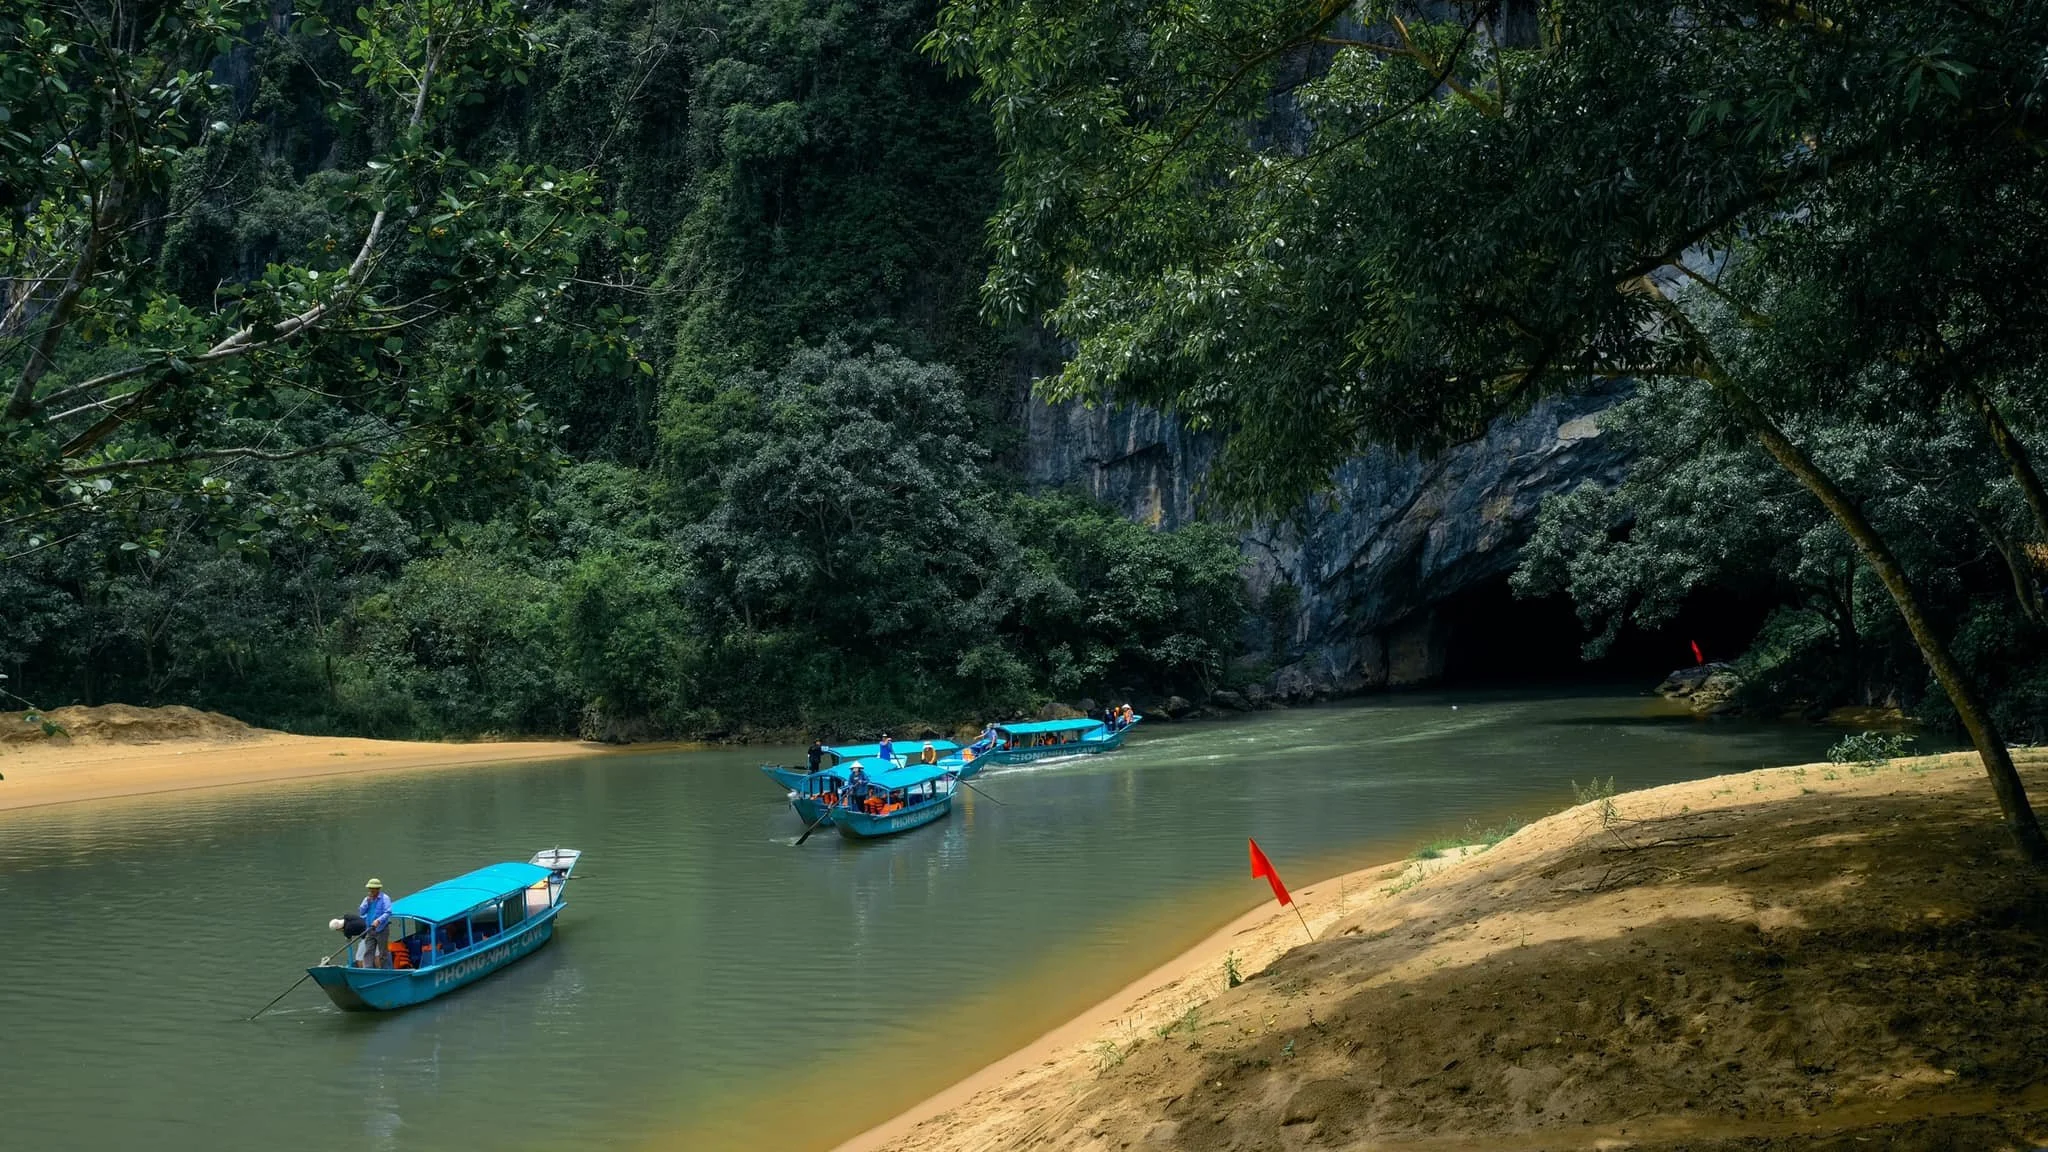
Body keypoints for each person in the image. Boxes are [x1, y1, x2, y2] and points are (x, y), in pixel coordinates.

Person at [358, 878, 392, 969]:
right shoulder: (367, 899)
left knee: (383, 952)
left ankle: (387, 970)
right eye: (370, 888)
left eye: (373, 888)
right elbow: (361, 912)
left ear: (378, 889)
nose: (371, 890)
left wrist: (378, 920)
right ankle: (368, 969)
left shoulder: (385, 898)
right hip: (370, 929)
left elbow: (388, 912)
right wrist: (367, 903)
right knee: (368, 950)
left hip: (382, 929)